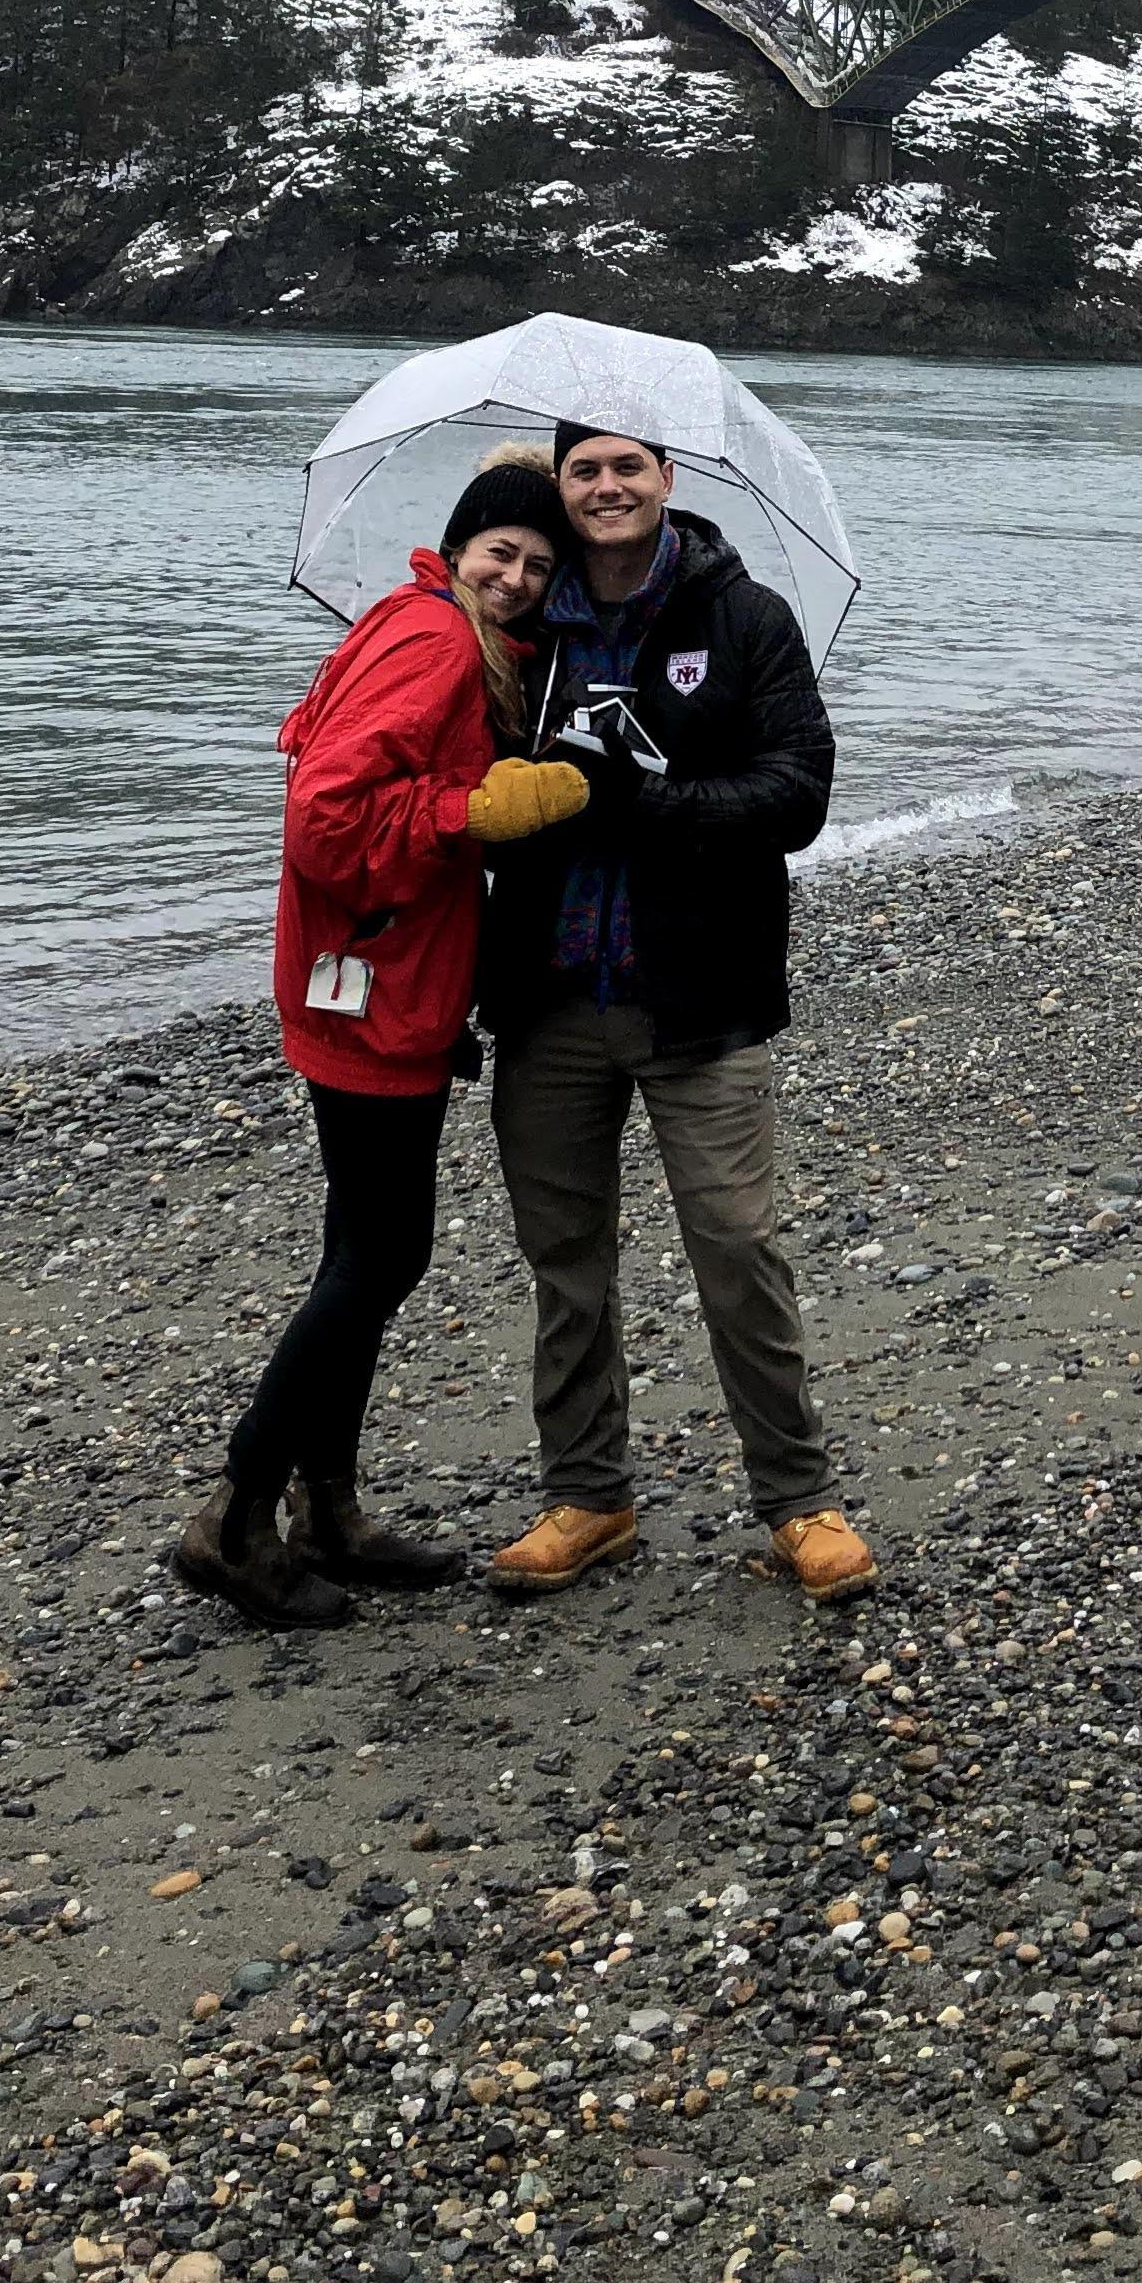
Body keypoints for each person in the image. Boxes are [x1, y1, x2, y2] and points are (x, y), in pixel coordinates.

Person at [172, 451, 596, 1628]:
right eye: (498, 554)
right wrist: (471, 811)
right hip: (371, 988)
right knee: (382, 1257)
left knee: (361, 1248)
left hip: (367, 981)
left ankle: (331, 1512)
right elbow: (326, 815)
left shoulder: (441, 631)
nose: (514, 578)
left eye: (536, 564)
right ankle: (236, 1514)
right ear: (456, 549)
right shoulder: (432, 641)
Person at [475, 419, 879, 1604]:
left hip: (700, 997)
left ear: (667, 481)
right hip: (549, 997)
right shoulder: (518, 624)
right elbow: (444, 781)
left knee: (739, 1250)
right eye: (582, 471)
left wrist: (649, 800)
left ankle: (798, 1503)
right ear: (557, 488)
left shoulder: (741, 617)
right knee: (566, 1263)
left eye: (626, 468)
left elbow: (798, 793)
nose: (605, 488)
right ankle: (588, 1497)